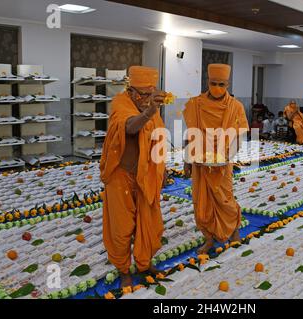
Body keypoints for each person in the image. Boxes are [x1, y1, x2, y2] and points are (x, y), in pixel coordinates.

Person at [100, 66, 167, 288]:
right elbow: (129, 127)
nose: (145, 99)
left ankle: (144, 263)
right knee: (122, 227)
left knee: (149, 222)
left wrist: (162, 170)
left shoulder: (152, 108)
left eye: (149, 94)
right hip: (121, 176)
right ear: (130, 90)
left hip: (146, 175)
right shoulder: (120, 103)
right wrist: (149, 112)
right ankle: (123, 269)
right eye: (141, 95)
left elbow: (158, 140)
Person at [183, 63, 249, 254]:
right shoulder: (195, 104)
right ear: (207, 82)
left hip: (223, 161)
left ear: (227, 84)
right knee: (201, 203)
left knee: (225, 198)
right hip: (200, 162)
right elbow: (190, 134)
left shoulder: (235, 106)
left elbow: (240, 135)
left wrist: (229, 155)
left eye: (222, 84)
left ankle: (234, 230)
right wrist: (186, 160)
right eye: (214, 83)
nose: (217, 87)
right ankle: (209, 238)